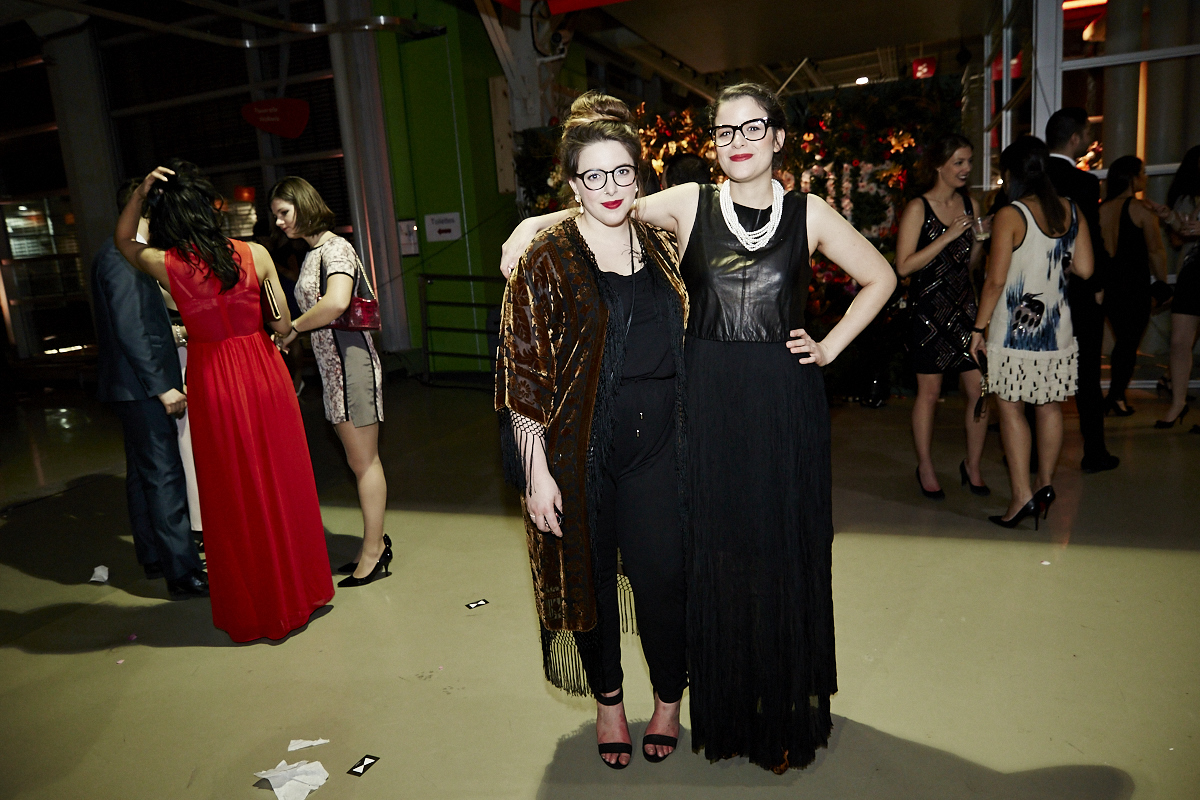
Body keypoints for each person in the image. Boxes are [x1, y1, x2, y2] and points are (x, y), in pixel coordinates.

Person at [501, 82, 896, 773]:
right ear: (712, 145)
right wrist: (528, 227)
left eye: (752, 128)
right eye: (723, 130)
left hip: (779, 409)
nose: (738, 141)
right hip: (705, 412)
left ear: (778, 138)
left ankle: (770, 705)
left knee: (773, 557)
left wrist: (829, 348)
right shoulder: (689, 204)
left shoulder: (811, 213)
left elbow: (882, 277)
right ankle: (705, 702)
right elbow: (602, 202)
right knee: (713, 562)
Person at [495, 92, 690, 769]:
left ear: (640, 175)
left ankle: (668, 699)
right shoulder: (545, 256)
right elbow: (521, 369)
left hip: (663, 444)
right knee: (589, 582)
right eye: (592, 175)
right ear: (572, 184)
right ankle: (610, 704)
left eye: (622, 172)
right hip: (576, 451)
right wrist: (535, 469)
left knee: (664, 577)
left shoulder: (666, 244)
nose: (610, 187)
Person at [115, 160, 333, 642]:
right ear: (212, 211)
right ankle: (301, 591)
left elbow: (125, 241)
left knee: (233, 491)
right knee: (281, 478)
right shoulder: (255, 254)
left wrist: (141, 193)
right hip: (263, 373)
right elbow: (281, 324)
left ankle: (255, 604)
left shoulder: (166, 265)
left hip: (213, 379)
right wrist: (274, 331)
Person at [270, 177, 389, 588]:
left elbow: (338, 301)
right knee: (360, 462)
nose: (281, 223)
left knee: (364, 463)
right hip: (335, 369)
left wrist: (293, 330)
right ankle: (372, 544)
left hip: (350, 365)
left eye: (284, 213)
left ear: (303, 206)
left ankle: (374, 552)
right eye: (277, 217)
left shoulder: (336, 248)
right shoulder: (314, 252)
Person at [969, 137, 1095, 529]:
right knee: (1050, 406)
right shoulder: (1071, 211)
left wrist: (977, 328)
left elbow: (994, 281)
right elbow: (1087, 269)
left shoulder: (1012, 214)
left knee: (1010, 408)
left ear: (1010, 174)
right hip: (1056, 330)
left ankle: (1021, 495)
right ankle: (1044, 485)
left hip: (1014, 332)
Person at [92, 178, 207, 598]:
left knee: (143, 476)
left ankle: (155, 557)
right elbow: (132, 328)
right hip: (143, 386)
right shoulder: (123, 259)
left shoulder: (116, 254)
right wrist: (164, 387)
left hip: (129, 387)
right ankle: (183, 573)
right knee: (163, 476)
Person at [894, 134, 989, 499]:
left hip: (966, 310)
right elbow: (904, 266)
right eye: (959, 162)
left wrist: (979, 243)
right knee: (929, 394)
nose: (966, 169)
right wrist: (947, 237)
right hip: (929, 311)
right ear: (939, 165)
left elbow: (972, 266)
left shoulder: (971, 204)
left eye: (968, 162)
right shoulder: (919, 207)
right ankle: (926, 466)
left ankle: (974, 466)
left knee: (979, 390)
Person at [1045, 108, 1120, 472]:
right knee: (1087, 374)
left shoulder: (1033, 177)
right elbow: (1091, 239)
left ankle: (1032, 454)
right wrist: (1098, 283)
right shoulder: (1084, 184)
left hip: (1036, 291)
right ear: (1074, 139)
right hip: (1077, 288)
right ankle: (1095, 452)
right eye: (1087, 135)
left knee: (1038, 372)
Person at [1098, 156, 1168, 416]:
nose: (1146, 177)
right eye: (1143, 173)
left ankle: (1115, 395)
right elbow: (1156, 251)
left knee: (1122, 343)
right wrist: (1162, 283)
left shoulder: (1102, 209)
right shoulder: (1141, 210)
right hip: (1135, 288)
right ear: (1132, 177)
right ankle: (1116, 396)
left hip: (1109, 287)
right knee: (1127, 344)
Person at [1144, 145, 1200, 430]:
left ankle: (1178, 404)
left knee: (1181, 341)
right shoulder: (1188, 197)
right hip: (1192, 270)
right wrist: (1167, 216)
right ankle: (1177, 403)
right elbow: (1182, 233)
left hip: (1192, 268)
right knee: (1179, 341)